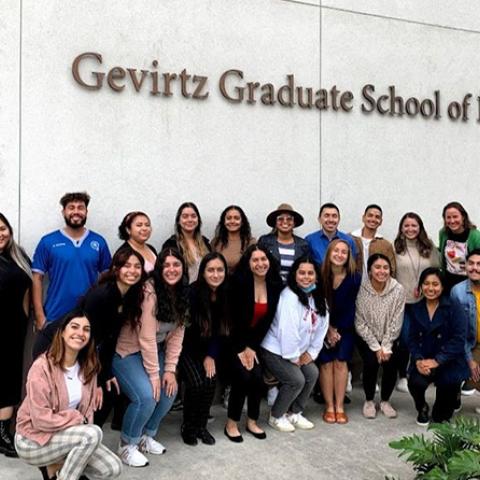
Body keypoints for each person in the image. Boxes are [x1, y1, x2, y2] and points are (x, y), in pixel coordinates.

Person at [32, 246, 147, 428]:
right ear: (116, 269)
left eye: (137, 266)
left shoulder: (128, 295)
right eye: (126, 265)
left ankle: (90, 439)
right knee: (64, 397)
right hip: (56, 346)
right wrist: (96, 380)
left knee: (109, 391)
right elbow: (85, 338)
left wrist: (106, 374)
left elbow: (110, 339)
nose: (132, 271)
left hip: (82, 349)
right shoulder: (102, 295)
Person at [15, 310, 122, 480]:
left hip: (68, 436)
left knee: (112, 467)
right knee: (92, 433)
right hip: (32, 440)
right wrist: (75, 418)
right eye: (74, 327)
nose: (80, 333)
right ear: (62, 332)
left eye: (86, 329)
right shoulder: (42, 367)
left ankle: (57, 468)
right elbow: (40, 419)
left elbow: (87, 414)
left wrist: (85, 435)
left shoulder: (89, 368)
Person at [113, 248, 187, 466]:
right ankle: (127, 444)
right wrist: (155, 374)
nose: (172, 270)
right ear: (159, 268)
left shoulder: (182, 294)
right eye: (167, 265)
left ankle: (146, 436)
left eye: (177, 265)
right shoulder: (149, 292)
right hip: (127, 353)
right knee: (146, 395)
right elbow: (145, 337)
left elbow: (176, 336)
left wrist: (170, 370)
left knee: (168, 391)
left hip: (155, 351)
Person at [261, 256, 329, 432]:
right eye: (301, 273)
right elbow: (287, 331)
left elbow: (321, 327)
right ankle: (276, 416)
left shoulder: (317, 297)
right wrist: (294, 357)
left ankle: (295, 412)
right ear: (294, 275)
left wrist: (311, 353)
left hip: (298, 352)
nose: (306, 277)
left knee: (312, 373)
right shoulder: (290, 296)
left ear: (316, 276)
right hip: (276, 350)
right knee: (295, 379)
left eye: (310, 273)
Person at [224, 245, 283, 442]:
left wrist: (251, 347)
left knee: (257, 377)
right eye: (255, 260)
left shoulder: (274, 285)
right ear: (248, 264)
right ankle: (231, 423)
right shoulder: (237, 283)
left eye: (263, 259)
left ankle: (252, 421)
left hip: (254, 342)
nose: (260, 264)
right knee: (243, 375)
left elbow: (266, 322)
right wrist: (241, 348)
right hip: (232, 341)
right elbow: (230, 321)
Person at [32, 192, 111, 329]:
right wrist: (40, 316)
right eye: (71, 207)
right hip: (55, 316)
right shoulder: (48, 241)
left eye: (80, 207)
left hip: (89, 317)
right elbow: (36, 278)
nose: (76, 211)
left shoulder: (99, 241)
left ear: (86, 212)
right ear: (63, 212)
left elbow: (108, 279)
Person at [180, 252, 230, 446]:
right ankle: (188, 426)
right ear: (202, 272)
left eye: (220, 270)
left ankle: (201, 426)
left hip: (208, 350)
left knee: (210, 381)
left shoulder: (225, 294)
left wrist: (210, 355)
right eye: (210, 270)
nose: (215, 274)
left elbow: (221, 331)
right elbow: (184, 332)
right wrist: (202, 357)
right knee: (197, 382)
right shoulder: (191, 293)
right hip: (186, 349)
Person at [408, 268, 469, 425]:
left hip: (448, 362)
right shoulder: (416, 309)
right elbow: (412, 339)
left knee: (440, 418)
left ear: (442, 287)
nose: (430, 288)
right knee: (415, 382)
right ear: (421, 286)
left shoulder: (454, 307)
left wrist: (437, 360)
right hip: (424, 360)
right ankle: (422, 407)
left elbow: (458, 340)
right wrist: (418, 361)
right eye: (426, 284)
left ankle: (455, 393)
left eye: (435, 284)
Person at [355, 253, 406, 419]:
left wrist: (385, 346)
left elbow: (397, 320)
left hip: (390, 338)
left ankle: (385, 401)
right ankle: (369, 400)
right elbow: (360, 322)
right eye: (377, 267)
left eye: (385, 268)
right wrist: (376, 347)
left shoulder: (397, 289)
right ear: (370, 270)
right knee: (370, 363)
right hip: (368, 338)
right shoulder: (363, 289)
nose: (382, 271)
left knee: (391, 364)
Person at [394, 212, 440, 393]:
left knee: (423, 339)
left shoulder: (429, 247)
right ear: (401, 228)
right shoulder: (395, 247)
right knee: (405, 339)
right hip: (402, 302)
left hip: (424, 301)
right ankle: (403, 375)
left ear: (420, 227)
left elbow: (436, 271)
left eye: (414, 225)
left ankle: (419, 370)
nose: (410, 229)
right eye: (406, 226)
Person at [318, 240, 361, 424]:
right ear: (329, 253)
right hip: (322, 328)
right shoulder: (319, 276)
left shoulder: (355, 278)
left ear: (349, 256)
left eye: (344, 252)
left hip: (346, 328)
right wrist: (328, 329)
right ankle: (329, 406)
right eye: (336, 250)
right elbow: (315, 306)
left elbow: (357, 307)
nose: (340, 254)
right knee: (326, 364)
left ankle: (340, 406)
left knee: (340, 363)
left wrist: (338, 331)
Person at [0, 213, 32, 457]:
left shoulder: (19, 255)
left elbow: (28, 288)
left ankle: (2, 432)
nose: (0, 234)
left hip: (15, 328)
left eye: (3, 229)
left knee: (9, 379)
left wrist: (27, 315)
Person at [451, 249, 480, 413]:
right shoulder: (458, 292)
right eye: (471, 263)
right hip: (467, 344)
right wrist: (470, 359)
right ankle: (454, 394)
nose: (475, 268)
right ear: (465, 266)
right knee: (459, 369)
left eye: (479, 264)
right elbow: (457, 332)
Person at [258, 203, 309, 283]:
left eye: (289, 219)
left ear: (294, 223)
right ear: (275, 222)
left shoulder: (303, 245)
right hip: (271, 289)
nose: (285, 222)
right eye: (280, 219)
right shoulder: (265, 242)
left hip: (294, 289)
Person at [162, 202, 211, 283]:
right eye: (185, 216)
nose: (190, 219)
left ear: (198, 220)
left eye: (193, 216)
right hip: (183, 293)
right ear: (178, 221)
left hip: (204, 292)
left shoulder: (205, 243)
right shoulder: (171, 244)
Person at [439, 201, 480, 294]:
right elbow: (441, 255)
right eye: (448, 217)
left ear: (463, 217)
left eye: (455, 216)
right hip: (448, 283)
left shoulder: (475, 236)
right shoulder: (443, 233)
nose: (452, 221)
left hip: (468, 285)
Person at [350, 204, 396, 277]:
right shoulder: (350, 239)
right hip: (352, 286)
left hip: (376, 287)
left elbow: (392, 270)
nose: (373, 219)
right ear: (363, 218)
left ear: (381, 221)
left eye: (377, 217)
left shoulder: (385, 245)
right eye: (370, 215)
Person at [306, 203, 357, 267]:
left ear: (339, 219)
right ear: (319, 219)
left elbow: (352, 266)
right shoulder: (310, 240)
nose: (331, 220)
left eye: (334, 216)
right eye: (326, 216)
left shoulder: (349, 241)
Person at [211, 205, 255, 274]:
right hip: (220, 282)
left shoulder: (251, 242)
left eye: (236, 218)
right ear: (224, 221)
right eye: (228, 218)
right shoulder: (216, 242)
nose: (232, 221)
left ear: (242, 222)